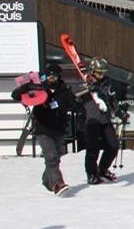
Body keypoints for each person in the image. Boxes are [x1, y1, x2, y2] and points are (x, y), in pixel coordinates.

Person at [12, 64, 76, 195]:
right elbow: (15, 95)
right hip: (43, 129)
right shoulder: (39, 88)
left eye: (54, 74)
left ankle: (47, 180)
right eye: (49, 74)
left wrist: (79, 111)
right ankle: (57, 184)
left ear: (59, 76)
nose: (51, 77)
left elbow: (74, 104)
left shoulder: (65, 91)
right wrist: (26, 87)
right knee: (51, 156)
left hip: (58, 129)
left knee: (56, 157)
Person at [78, 57, 121, 185]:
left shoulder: (106, 82)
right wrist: (88, 89)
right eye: (99, 72)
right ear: (92, 71)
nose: (102, 75)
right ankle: (91, 174)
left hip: (105, 119)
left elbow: (111, 98)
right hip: (91, 119)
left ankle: (102, 169)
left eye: (103, 72)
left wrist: (119, 111)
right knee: (93, 148)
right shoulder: (84, 81)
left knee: (113, 145)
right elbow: (75, 95)